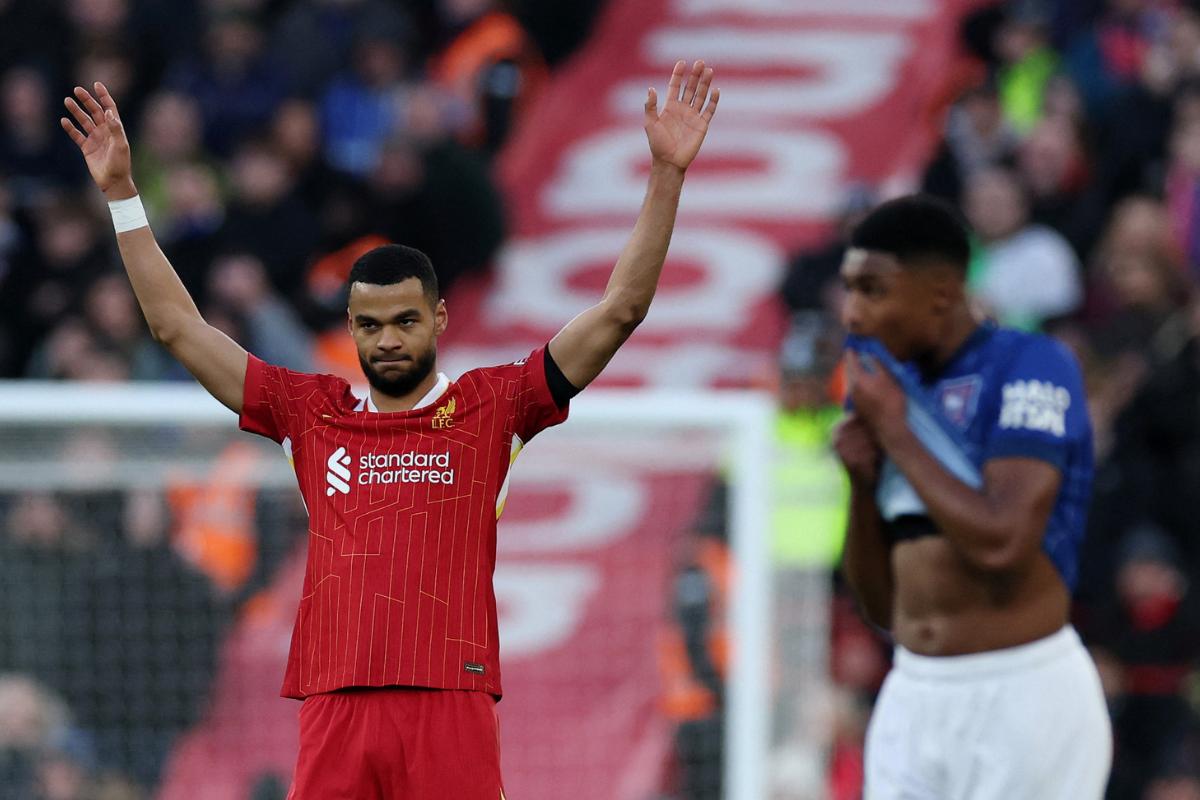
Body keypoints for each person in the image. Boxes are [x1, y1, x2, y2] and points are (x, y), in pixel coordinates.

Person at [61, 60, 719, 798]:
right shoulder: (312, 413)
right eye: (370, 325)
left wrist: (666, 175)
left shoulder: (491, 406)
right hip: (335, 703)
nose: (388, 340)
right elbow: (175, 326)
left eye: (406, 320)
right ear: (351, 328)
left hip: (450, 701)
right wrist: (122, 196)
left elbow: (620, 310)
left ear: (437, 320)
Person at [832, 195, 1111, 798]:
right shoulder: (885, 391)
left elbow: (1005, 543)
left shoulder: (1031, 366)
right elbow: (883, 607)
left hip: (1022, 691)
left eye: (872, 289)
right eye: (849, 290)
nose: (852, 314)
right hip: (911, 692)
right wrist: (859, 482)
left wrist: (899, 435)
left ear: (940, 291)